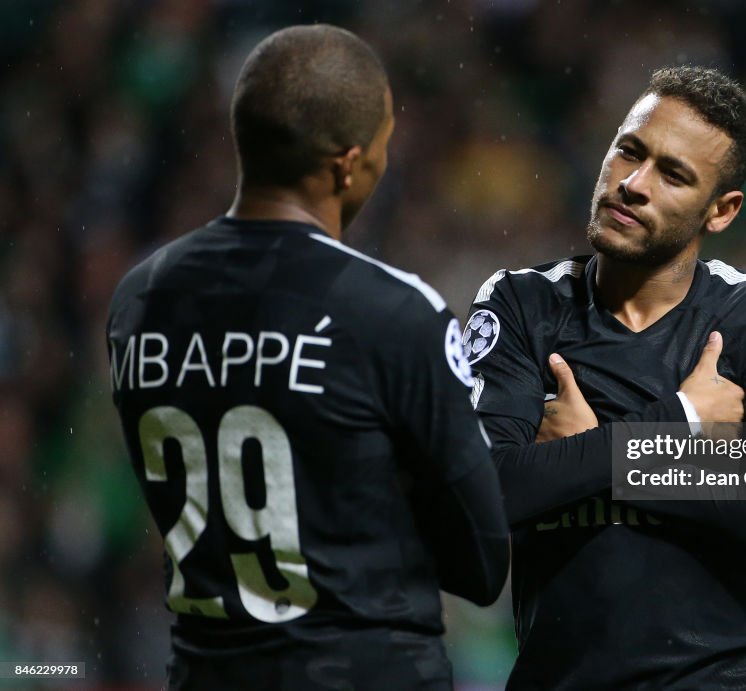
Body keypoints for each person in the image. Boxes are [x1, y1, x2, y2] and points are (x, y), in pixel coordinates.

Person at [106, 25, 509, 691]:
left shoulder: (140, 298)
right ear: (347, 162)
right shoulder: (389, 311)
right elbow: (480, 562)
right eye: (383, 145)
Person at [464, 65, 746, 689]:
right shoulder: (519, 304)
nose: (633, 184)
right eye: (628, 151)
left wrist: (582, 457)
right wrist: (682, 423)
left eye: (674, 174)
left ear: (722, 210)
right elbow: (483, 494)